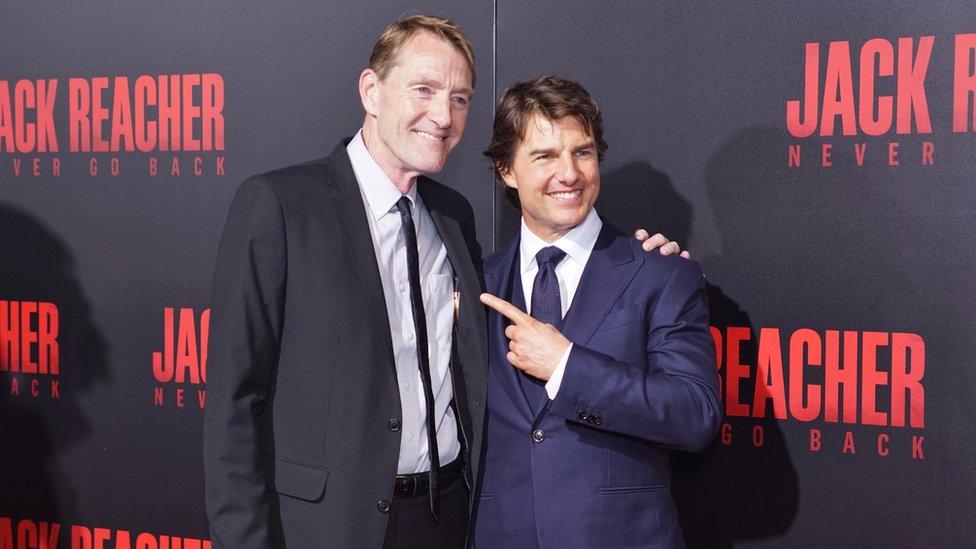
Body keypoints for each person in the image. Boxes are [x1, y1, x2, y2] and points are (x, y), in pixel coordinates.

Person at [204, 14, 685, 549]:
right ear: (371, 90)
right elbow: (232, 403)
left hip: (443, 517)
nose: (443, 115)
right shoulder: (281, 205)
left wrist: (639, 263)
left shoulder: (452, 217)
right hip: (328, 525)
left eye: (459, 98)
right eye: (424, 90)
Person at [473, 76, 722, 548]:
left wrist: (567, 367)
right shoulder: (474, 281)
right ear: (506, 169)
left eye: (582, 152)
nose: (569, 173)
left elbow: (695, 414)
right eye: (545, 156)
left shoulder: (660, 273)